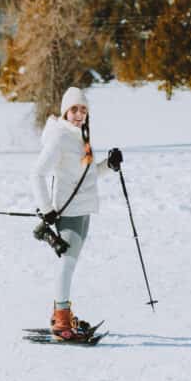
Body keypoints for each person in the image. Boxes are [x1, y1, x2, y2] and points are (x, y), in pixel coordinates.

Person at [30, 86, 123, 340]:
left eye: (83, 109)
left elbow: (87, 175)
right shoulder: (59, 137)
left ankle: (60, 313)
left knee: (69, 264)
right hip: (69, 212)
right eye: (74, 109)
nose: (79, 114)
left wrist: (109, 165)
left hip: (84, 210)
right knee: (67, 265)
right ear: (65, 112)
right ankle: (61, 323)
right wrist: (47, 210)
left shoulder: (81, 136)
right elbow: (36, 174)